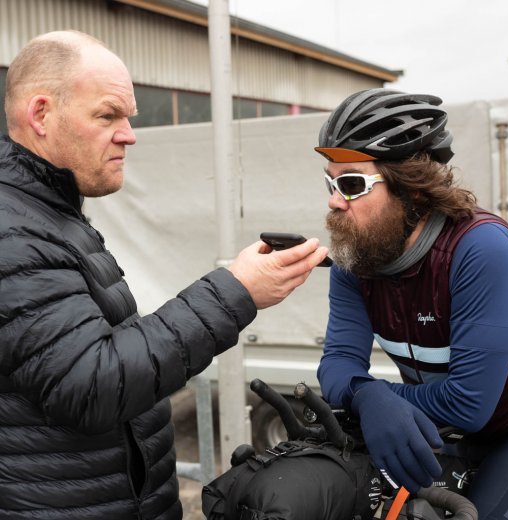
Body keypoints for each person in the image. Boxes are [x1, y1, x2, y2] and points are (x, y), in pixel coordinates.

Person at [0, 30, 329, 520]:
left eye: (129, 117)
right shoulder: (14, 230)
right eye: (108, 115)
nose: (130, 133)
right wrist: (236, 291)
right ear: (41, 114)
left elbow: (101, 347)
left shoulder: (49, 214)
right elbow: (90, 383)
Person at [315, 88, 508, 519]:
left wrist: (380, 396)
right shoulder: (355, 259)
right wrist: (366, 396)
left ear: (411, 190)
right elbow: (338, 363)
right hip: (445, 430)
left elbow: (469, 403)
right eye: (329, 181)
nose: (333, 200)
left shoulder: (480, 250)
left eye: (351, 184)